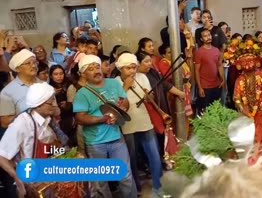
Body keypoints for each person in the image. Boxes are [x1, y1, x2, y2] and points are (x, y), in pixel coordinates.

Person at [73, 55, 137, 198]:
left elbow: (124, 101)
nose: (96, 71)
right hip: (95, 142)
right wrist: (102, 118)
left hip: (116, 138)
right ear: (83, 74)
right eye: (90, 69)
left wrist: (121, 110)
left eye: (97, 66)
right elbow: (80, 117)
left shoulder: (113, 83)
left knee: (125, 175)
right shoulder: (82, 94)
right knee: (101, 181)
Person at [0, 83, 62, 197]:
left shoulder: (49, 121)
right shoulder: (22, 123)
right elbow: (2, 156)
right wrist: (17, 177)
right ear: (38, 105)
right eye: (50, 102)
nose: (54, 104)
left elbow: (53, 148)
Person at [115, 53, 164, 196]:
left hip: (145, 122)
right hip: (127, 125)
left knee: (154, 155)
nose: (132, 71)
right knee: (131, 157)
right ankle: (135, 188)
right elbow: (115, 105)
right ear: (120, 69)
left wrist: (150, 96)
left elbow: (150, 99)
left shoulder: (142, 77)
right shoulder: (115, 82)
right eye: (128, 68)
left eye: (134, 67)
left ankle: (158, 185)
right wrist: (125, 87)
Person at [229, 40, 262, 143]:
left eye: (250, 60)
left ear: (257, 62)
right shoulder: (240, 80)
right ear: (238, 64)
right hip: (250, 113)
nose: (247, 64)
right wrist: (242, 108)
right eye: (244, 62)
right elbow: (236, 97)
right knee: (254, 137)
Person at [194, 28, 224, 115]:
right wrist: (199, 87)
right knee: (205, 111)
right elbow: (196, 71)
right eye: (205, 36)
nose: (208, 37)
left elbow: (219, 65)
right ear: (201, 39)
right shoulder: (199, 52)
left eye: (209, 35)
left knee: (216, 109)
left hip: (216, 85)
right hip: (205, 87)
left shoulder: (216, 50)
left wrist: (223, 79)